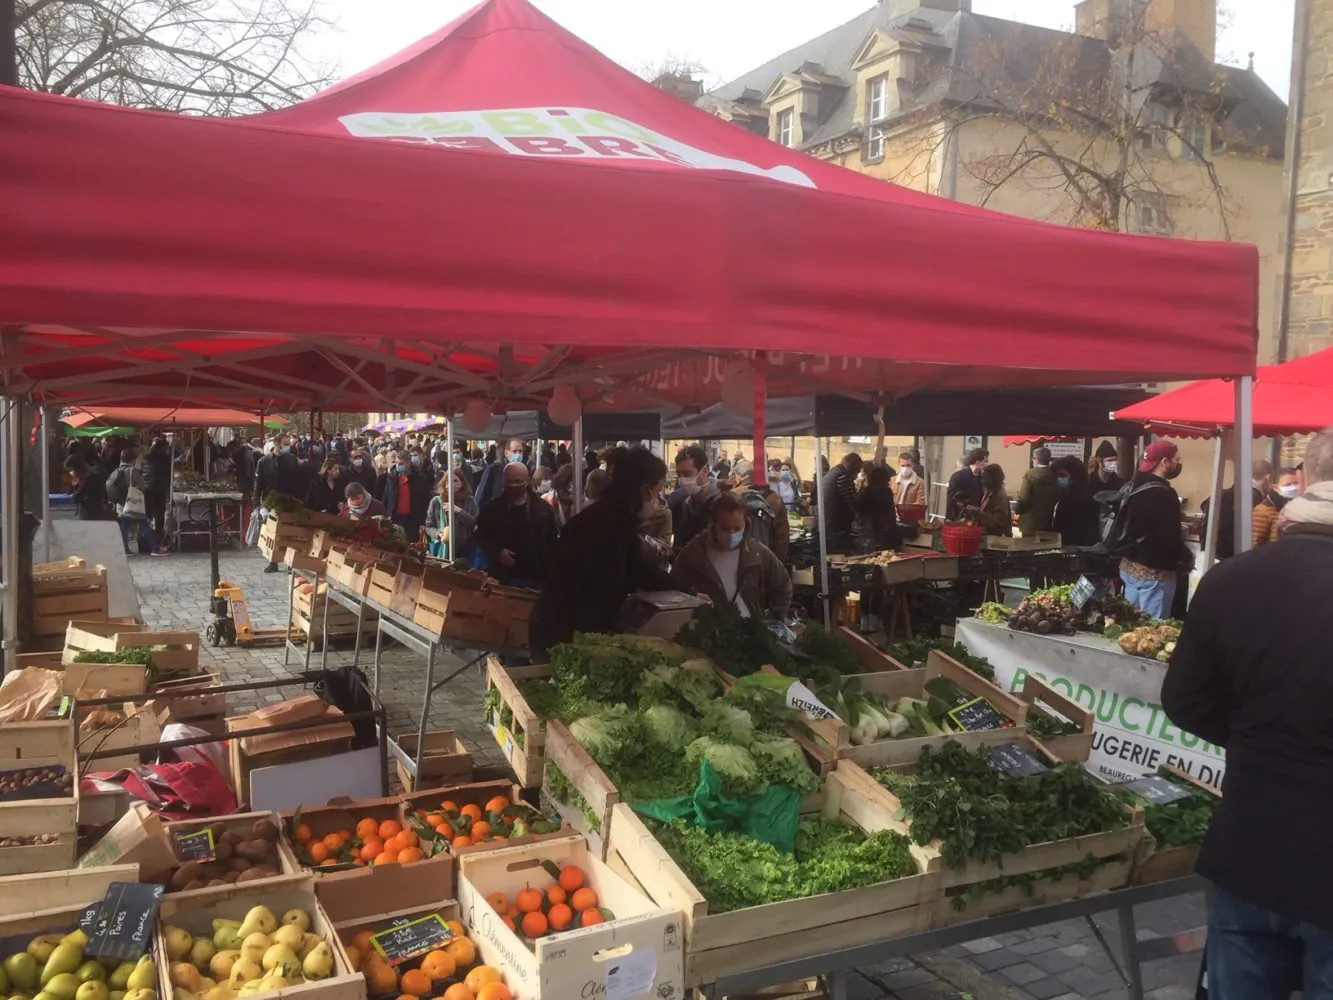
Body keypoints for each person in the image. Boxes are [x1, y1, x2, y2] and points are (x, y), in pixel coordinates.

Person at [1160, 428, 1333, 1000]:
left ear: (1304, 479)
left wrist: (1259, 738)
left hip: (1249, 850)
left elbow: (1185, 701)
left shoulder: (1231, 578)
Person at [529, 448, 684, 658]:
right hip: (561, 634)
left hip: (574, 630)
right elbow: (578, 589)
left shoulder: (618, 522)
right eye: (657, 493)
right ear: (644, 490)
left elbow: (638, 569)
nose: (657, 501)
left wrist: (685, 592)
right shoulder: (601, 525)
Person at [672, 491, 793, 619]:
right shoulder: (694, 553)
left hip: (751, 630)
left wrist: (774, 618)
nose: (731, 534)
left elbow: (783, 586)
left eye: (737, 528)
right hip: (708, 631)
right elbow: (674, 586)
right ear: (714, 524)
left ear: (746, 523)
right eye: (724, 528)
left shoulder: (758, 553)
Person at [1112, 440, 1192, 617]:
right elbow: (1169, 539)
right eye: (1176, 460)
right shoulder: (1164, 494)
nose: (1177, 464)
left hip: (1128, 569)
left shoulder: (1131, 487)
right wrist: (1186, 558)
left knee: (1130, 626)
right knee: (1151, 634)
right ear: (1165, 462)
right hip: (1156, 574)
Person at [475, 462, 558, 588]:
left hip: (538, 576)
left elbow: (552, 541)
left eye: (517, 481)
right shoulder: (491, 509)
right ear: (503, 481)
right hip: (505, 577)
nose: (513, 485)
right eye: (509, 481)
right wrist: (497, 552)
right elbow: (480, 537)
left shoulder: (543, 508)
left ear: (527, 481)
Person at [254, 435, 304, 573]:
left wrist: (299, 500)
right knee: (273, 533)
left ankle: (290, 563)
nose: (288, 446)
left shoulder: (291, 460)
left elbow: (298, 480)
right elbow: (258, 484)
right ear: (276, 444)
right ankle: (273, 562)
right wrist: (257, 504)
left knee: (289, 534)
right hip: (271, 500)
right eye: (285, 444)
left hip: (289, 500)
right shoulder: (264, 461)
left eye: (288, 443)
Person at [106, 449, 168, 556]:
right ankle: (155, 548)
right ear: (133, 459)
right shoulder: (132, 471)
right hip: (133, 503)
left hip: (121, 504)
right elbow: (143, 487)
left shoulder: (117, 470)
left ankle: (123, 548)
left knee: (124, 526)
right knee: (143, 523)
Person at [1208, 460, 1274, 559]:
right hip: (1236, 553)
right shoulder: (1253, 496)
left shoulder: (1234, 491)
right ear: (1268, 478)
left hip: (1221, 551)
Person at [669, 445, 719, 555]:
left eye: (687, 474)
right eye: (679, 474)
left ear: (704, 471)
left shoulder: (722, 505)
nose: (682, 480)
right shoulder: (684, 504)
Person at [376, 449, 433, 540]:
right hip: (395, 517)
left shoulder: (421, 479)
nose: (398, 465)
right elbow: (386, 496)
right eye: (397, 462)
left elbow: (425, 501)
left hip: (413, 518)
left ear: (409, 463)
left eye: (401, 463)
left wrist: (424, 521)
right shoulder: (392, 477)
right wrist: (384, 515)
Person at [1050, 455, 1101, 546]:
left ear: (1074, 476)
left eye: (1063, 475)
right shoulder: (1075, 496)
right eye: (1057, 476)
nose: (1059, 479)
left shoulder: (1074, 500)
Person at [425, 473, 478, 560]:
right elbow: (429, 526)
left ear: (462, 483)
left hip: (464, 548)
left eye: (456, 481)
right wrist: (439, 534)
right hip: (442, 549)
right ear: (445, 484)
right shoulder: (436, 501)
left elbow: (474, 523)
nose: (452, 484)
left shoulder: (470, 501)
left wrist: (459, 511)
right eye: (449, 481)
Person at [855, 465, 905, 552]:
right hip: (885, 538)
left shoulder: (864, 493)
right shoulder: (886, 493)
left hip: (866, 537)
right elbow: (890, 518)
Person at [821, 453, 863, 552]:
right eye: (857, 470)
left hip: (827, 521)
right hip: (836, 523)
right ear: (852, 466)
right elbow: (849, 501)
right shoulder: (842, 475)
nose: (857, 474)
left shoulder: (833, 472)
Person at [1015, 446, 1060, 537]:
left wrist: (1017, 510)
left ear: (1037, 460)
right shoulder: (1054, 476)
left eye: (1033, 459)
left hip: (1029, 523)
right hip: (1046, 522)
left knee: (1027, 548)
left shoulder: (1030, 474)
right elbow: (1057, 496)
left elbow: (1024, 499)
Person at [967, 464, 1012, 536]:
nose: (982, 480)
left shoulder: (1000, 496)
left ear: (992, 478)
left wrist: (979, 513)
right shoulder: (988, 492)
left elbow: (998, 523)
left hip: (996, 540)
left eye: (985, 477)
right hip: (986, 536)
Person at [141, 437, 172, 538]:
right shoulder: (164, 458)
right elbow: (168, 473)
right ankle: (159, 533)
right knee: (159, 511)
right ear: (161, 447)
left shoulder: (146, 457)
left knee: (148, 511)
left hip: (146, 487)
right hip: (158, 487)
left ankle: (146, 532)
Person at [947, 449, 987, 520]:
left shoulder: (983, 478)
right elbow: (950, 498)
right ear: (978, 462)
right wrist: (949, 517)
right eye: (985, 461)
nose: (986, 464)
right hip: (959, 517)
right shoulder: (959, 476)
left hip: (977, 519)